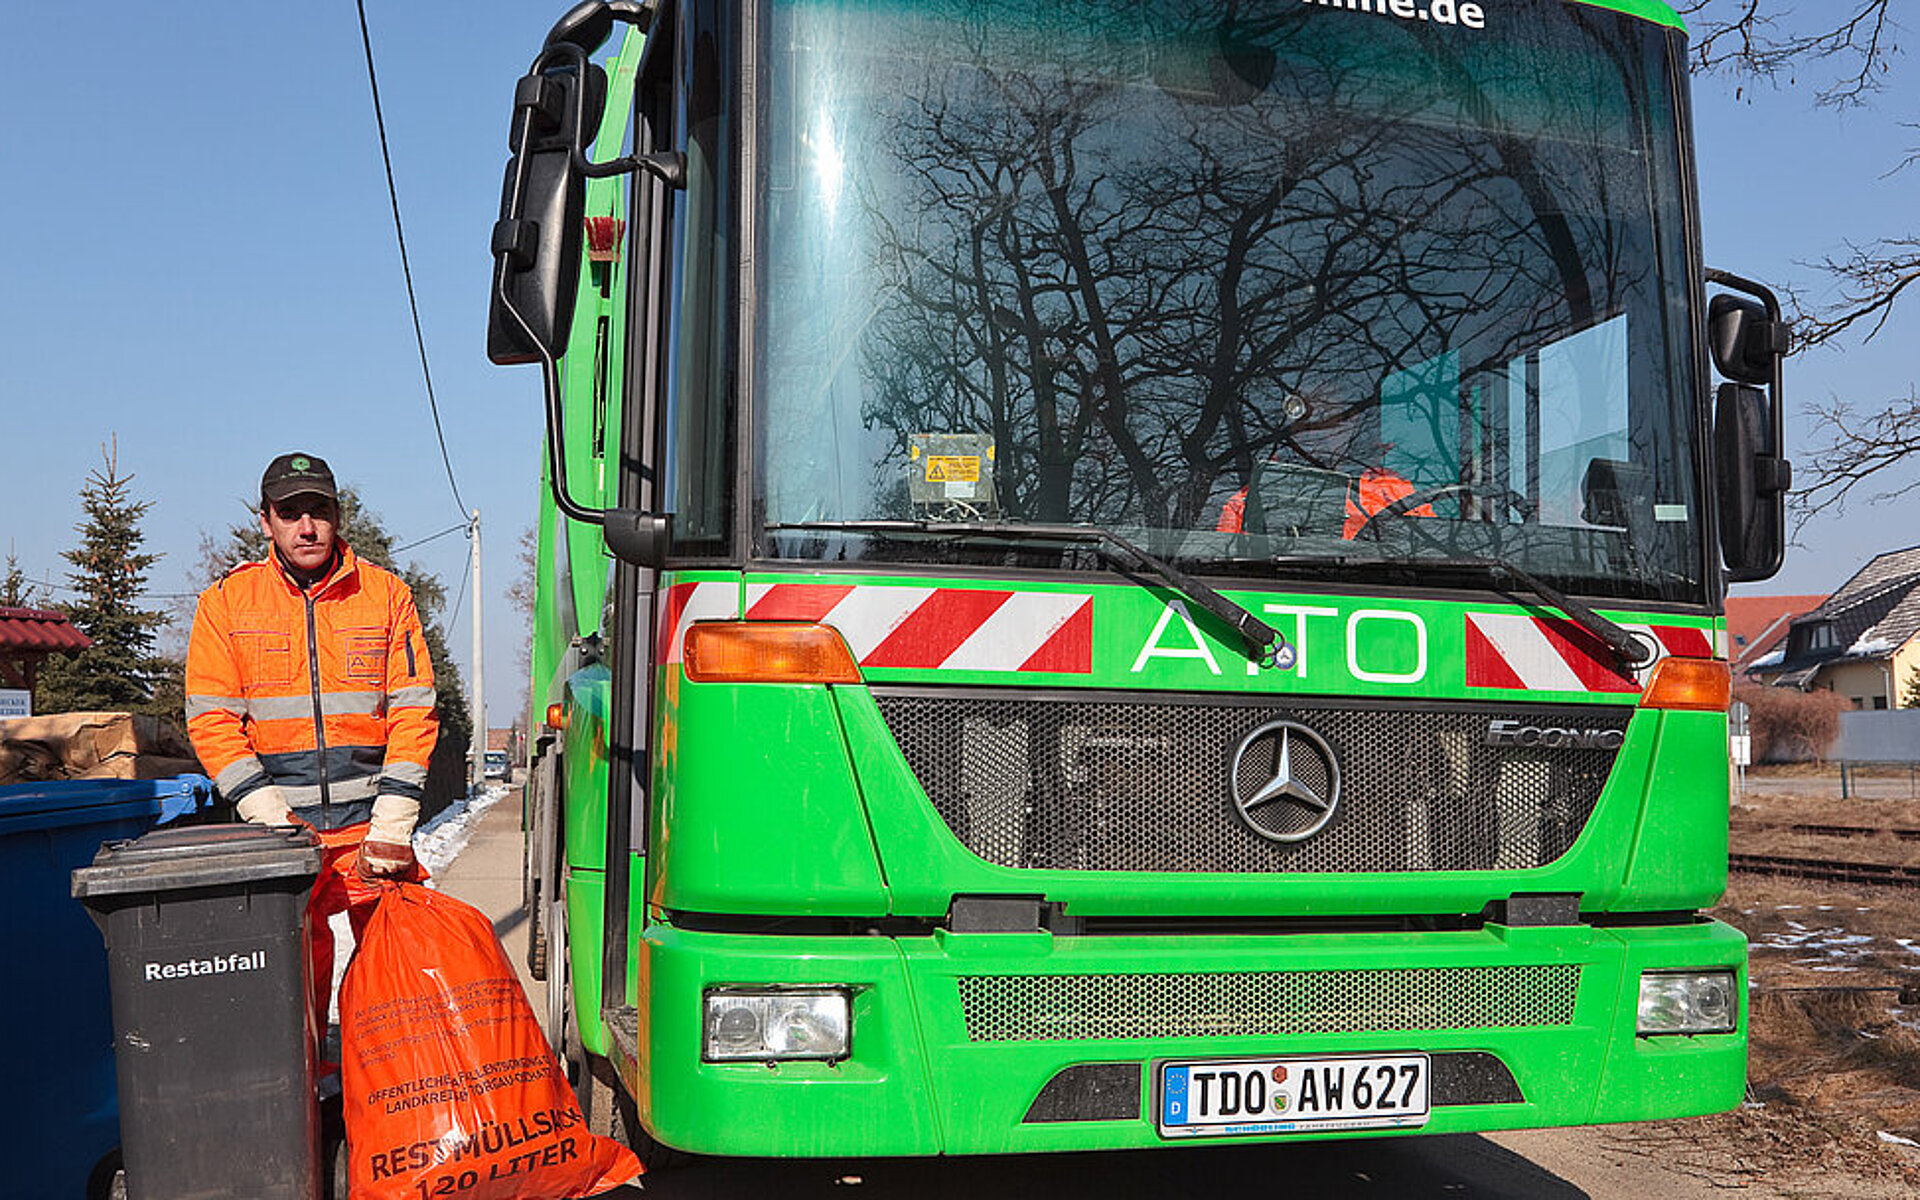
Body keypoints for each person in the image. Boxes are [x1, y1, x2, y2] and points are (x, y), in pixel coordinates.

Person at [185, 452, 438, 1035]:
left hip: (371, 837)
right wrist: (271, 818)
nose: (306, 527)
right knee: (292, 1000)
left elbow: (413, 710)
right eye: (290, 512)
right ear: (266, 520)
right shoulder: (226, 603)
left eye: (318, 511)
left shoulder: (386, 596)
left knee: (400, 995)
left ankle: (390, 1109)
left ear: (338, 516)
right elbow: (212, 721)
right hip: (283, 841)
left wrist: (394, 827)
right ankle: (305, 1115)